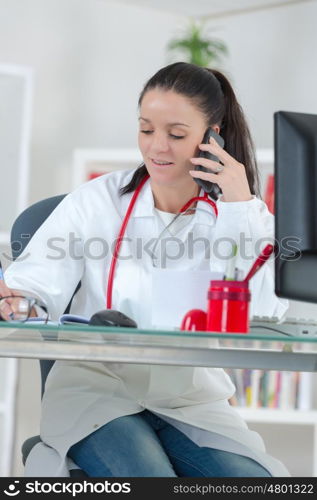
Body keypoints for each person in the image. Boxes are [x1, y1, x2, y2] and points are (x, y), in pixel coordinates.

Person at [0, 62, 289, 477]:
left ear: (212, 137)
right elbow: (34, 288)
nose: (157, 147)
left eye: (176, 134)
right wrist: (18, 301)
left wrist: (240, 204)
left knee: (252, 484)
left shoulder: (237, 214)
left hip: (190, 399)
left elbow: (264, 311)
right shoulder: (96, 201)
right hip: (96, 391)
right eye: (146, 129)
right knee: (151, 479)